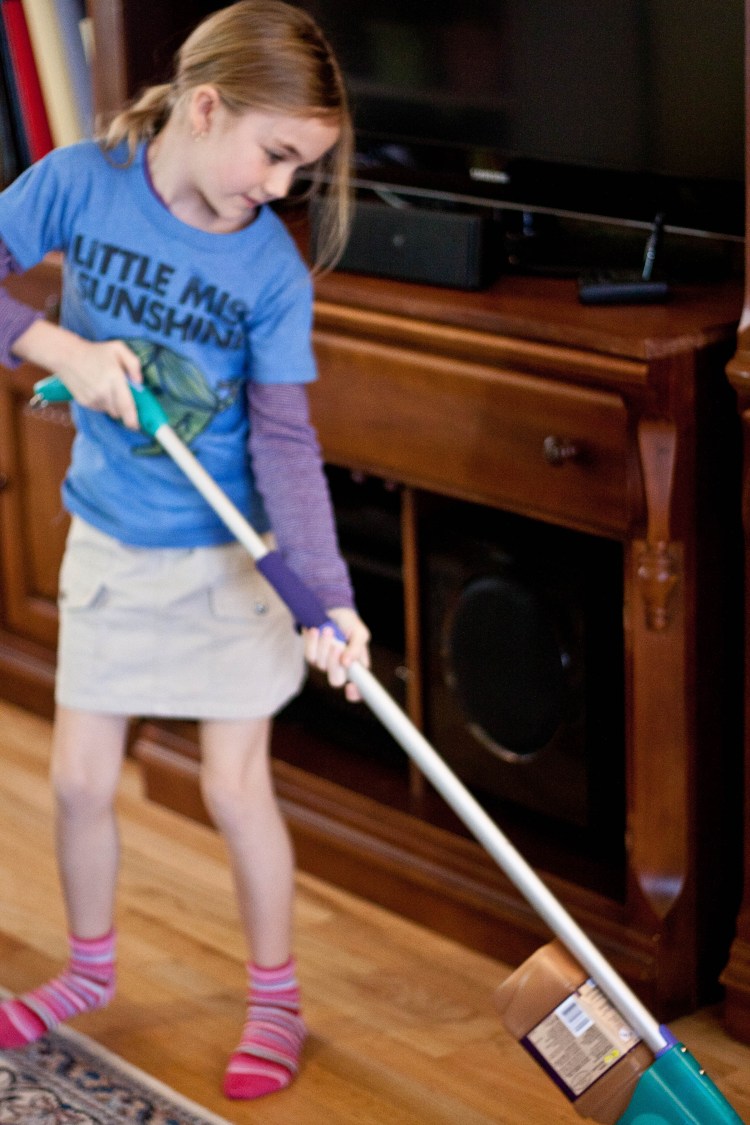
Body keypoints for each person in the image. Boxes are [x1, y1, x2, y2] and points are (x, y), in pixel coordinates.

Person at [0, 0, 370, 1101]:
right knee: (75, 784)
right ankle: (89, 970)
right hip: (111, 544)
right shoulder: (81, 182)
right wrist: (61, 341)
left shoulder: (269, 271)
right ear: (206, 107)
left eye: (302, 168)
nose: (281, 186)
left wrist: (328, 601)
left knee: (234, 788)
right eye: (276, 154)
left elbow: (288, 441)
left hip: (229, 561)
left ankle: (276, 999)